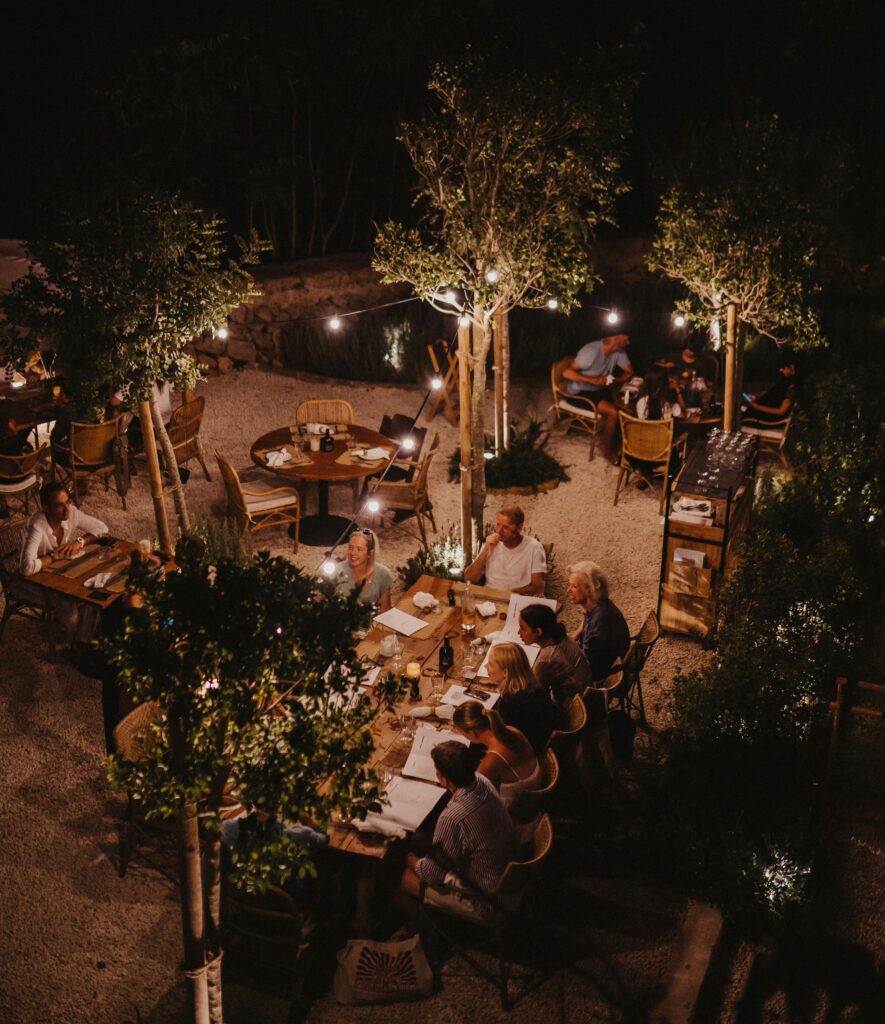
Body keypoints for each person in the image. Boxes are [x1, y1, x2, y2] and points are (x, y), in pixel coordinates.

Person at [398, 740, 517, 922]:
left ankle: (423, 937)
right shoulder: (482, 781)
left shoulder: (453, 817)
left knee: (399, 874)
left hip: (489, 901)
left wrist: (408, 858)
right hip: (512, 882)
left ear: (444, 779)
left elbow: (431, 875)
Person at [452, 701, 541, 811]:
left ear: (472, 733)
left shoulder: (493, 759)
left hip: (517, 811)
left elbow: (469, 795)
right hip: (532, 791)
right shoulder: (511, 730)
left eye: (463, 734)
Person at [562, 333, 634, 462]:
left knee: (625, 408)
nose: (628, 342)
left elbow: (629, 372)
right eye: (626, 338)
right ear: (616, 337)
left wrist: (615, 381)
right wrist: (592, 380)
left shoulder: (619, 352)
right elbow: (566, 372)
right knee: (613, 412)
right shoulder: (591, 350)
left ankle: (624, 444)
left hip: (599, 390)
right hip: (579, 392)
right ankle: (606, 450)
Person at [20, 481, 108, 576]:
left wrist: (79, 542)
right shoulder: (37, 525)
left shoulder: (72, 512)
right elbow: (26, 568)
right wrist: (56, 556)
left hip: (58, 566)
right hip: (37, 574)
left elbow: (102, 528)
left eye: (67, 502)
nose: (67, 509)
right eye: (59, 505)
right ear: (46, 508)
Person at [517, 603, 593, 708]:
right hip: (586, 694)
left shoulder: (546, 660)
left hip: (569, 709)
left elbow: (535, 694)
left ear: (538, 631)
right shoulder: (562, 637)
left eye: (523, 628)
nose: (518, 632)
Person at [486, 642, 558, 754]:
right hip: (542, 739)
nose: (486, 667)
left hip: (528, 752)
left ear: (505, 672)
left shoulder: (510, 701)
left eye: (490, 664)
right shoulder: (532, 683)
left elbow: (504, 739)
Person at [567, 560, 630, 682]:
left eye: (574, 586)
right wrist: (578, 632)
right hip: (610, 661)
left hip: (602, 679)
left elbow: (587, 670)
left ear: (590, 590)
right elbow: (586, 618)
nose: (568, 590)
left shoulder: (597, 625)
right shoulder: (601, 603)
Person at [464, 505, 546, 595]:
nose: (499, 531)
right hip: (489, 598)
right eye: (498, 524)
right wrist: (485, 550)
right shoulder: (491, 543)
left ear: (520, 527)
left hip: (516, 599)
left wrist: (507, 594)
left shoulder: (534, 548)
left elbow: (539, 587)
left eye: (506, 527)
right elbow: (469, 579)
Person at [333, 527, 392, 611]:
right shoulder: (336, 571)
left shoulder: (383, 574)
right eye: (350, 547)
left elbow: (385, 609)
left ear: (370, 553)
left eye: (359, 549)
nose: (353, 553)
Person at [744, 354, 797, 423]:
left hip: (773, 419)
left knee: (741, 415)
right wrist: (755, 398)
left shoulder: (792, 386)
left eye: (783, 368)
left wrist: (757, 406)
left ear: (792, 367)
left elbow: (781, 411)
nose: (780, 370)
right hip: (767, 414)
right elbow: (773, 397)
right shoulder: (785, 380)